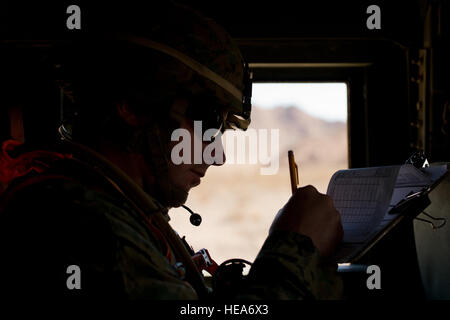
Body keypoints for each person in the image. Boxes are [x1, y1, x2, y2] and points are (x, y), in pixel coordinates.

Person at [0, 1, 343, 299]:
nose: (216, 155)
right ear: (133, 104)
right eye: (207, 122)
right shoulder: (82, 226)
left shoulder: (122, 211)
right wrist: (295, 251)